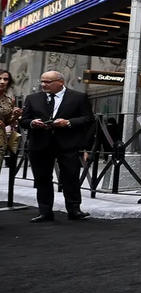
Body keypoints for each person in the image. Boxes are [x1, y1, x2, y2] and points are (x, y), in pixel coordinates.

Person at [20, 71, 93, 222]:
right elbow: (24, 120)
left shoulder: (78, 97)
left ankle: (74, 210)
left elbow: (88, 118)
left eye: (48, 82)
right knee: (42, 178)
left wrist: (67, 122)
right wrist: (33, 123)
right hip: (40, 144)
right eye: (42, 81)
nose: (43, 84)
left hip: (67, 144)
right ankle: (45, 212)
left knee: (71, 177)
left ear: (60, 82)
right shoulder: (32, 98)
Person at [0, 70, 22, 163]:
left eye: (5, 79)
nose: (2, 81)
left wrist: (16, 116)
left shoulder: (9, 100)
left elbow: (6, 121)